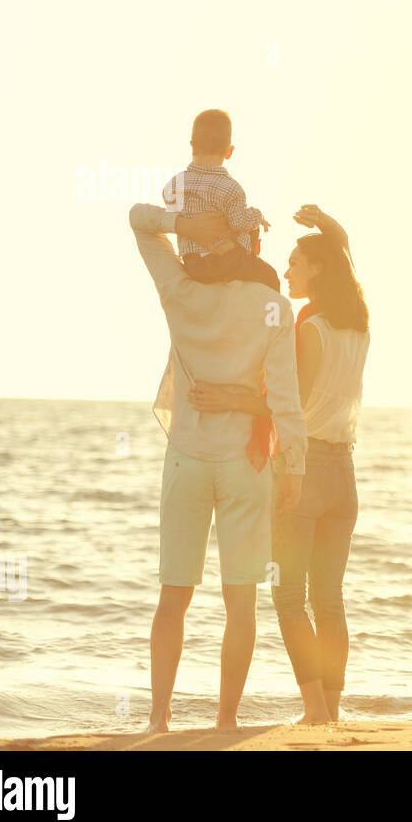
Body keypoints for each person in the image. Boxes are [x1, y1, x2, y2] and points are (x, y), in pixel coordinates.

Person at [129, 201, 308, 733]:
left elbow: (140, 223)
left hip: (186, 457)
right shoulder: (275, 306)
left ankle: (158, 720)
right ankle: (225, 720)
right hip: (245, 464)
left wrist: (185, 225)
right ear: (254, 245)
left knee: (173, 596)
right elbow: (286, 399)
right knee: (241, 601)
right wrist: (293, 467)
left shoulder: (180, 292)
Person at [188, 204, 370, 723]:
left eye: (295, 262)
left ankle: (315, 709)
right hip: (344, 473)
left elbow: (287, 404)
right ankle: (331, 709)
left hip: (306, 466)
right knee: (329, 598)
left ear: (316, 269)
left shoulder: (310, 329)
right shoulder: (356, 322)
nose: (286, 271)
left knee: (290, 597)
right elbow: (347, 261)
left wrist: (227, 397)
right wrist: (330, 225)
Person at [161, 109, 280, 291]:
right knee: (270, 278)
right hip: (225, 261)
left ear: (192, 145)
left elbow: (173, 211)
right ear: (229, 151)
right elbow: (238, 223)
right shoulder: (231, 189)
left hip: (193, 265)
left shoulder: (174, 185)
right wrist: (257, 215)